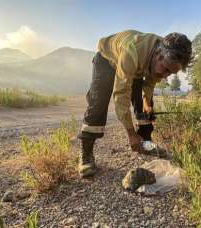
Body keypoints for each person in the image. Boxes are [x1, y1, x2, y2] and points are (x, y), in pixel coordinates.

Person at [77, 30, 192, 178]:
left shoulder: (162, 55)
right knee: (98, 102)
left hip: (138, 66)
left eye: (170, 73)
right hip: (107, 60)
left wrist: (146, 102)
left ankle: (145, 143)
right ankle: (86, 154)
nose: (165, 76)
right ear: (158, 54)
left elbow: (151, 82)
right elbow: (121, 95)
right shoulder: (132, 51)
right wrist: (131, 133)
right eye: (165, 70)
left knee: (145, 104)